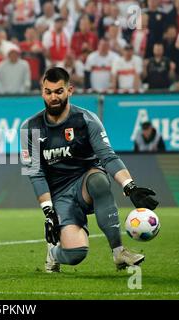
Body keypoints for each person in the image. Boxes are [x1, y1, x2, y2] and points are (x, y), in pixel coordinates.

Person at [20, 67, 159, 273]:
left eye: (59, 91)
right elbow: (35, 173)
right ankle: (53, 252)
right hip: (59, 196)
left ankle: (119, 251)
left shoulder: (87, 120)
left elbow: (108, 156)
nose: (53, 97)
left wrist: (130, 186)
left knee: (99, 181)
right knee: (76, 254)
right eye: (48, 92)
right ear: (42, 93)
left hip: (85, 181)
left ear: (70, 91)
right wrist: (49, 212)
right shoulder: (29, 128)